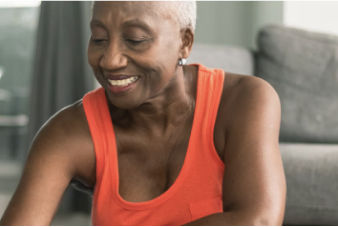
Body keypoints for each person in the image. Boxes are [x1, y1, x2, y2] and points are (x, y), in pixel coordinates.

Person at [0, 0, 286, 226]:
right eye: (99, 38)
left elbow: (257, 220)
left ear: (184, 42)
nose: (110, 60)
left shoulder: (242, 100)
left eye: (135, 40)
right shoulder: (69, 132)